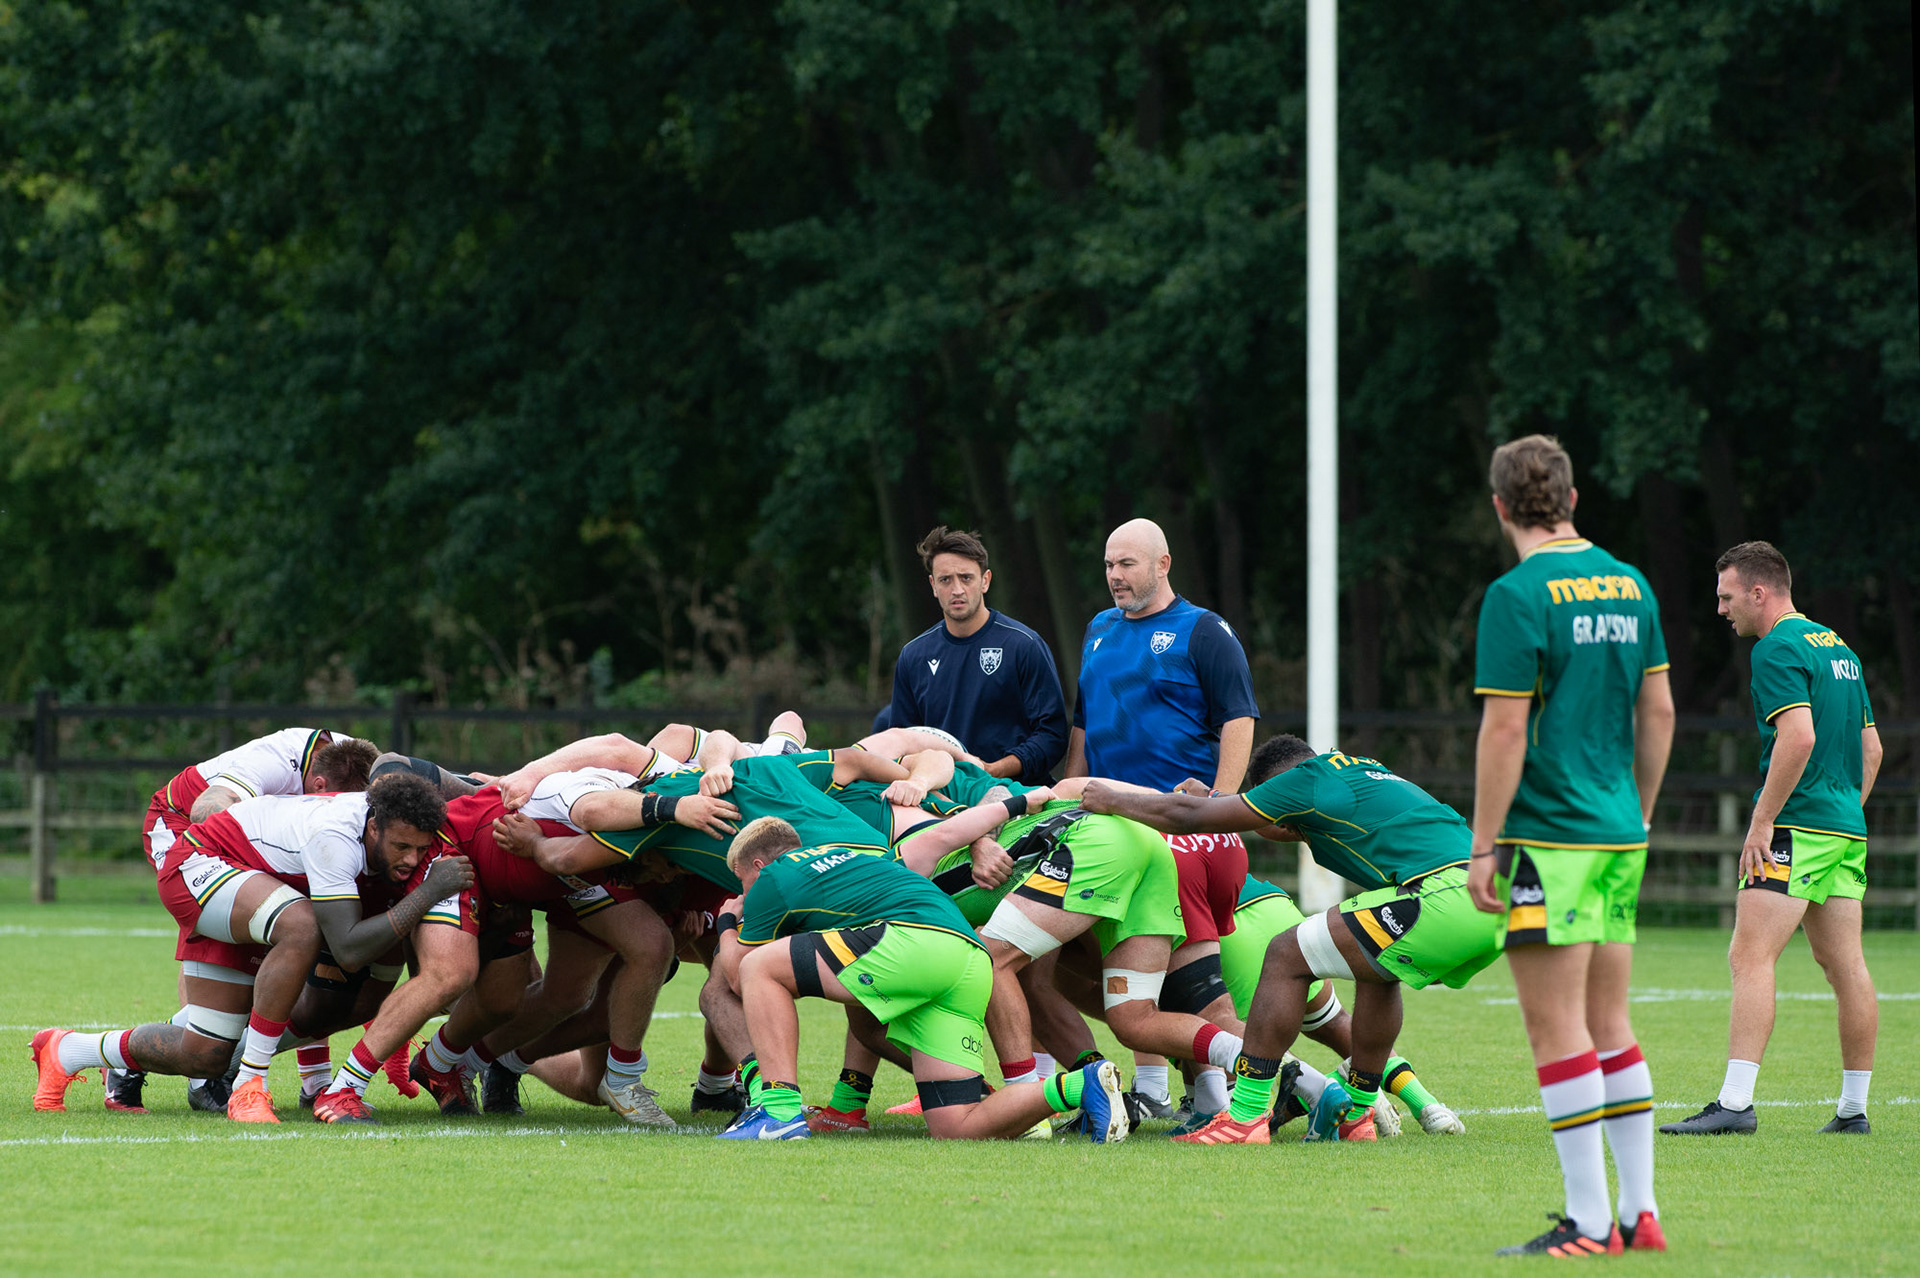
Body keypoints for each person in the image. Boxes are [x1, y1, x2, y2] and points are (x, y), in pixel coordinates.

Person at [1465, 434, 1674, 1257]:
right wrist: (1639, 811)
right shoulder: (1632, 584)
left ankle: (1589, 1224)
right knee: (1610, 1022)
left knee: (1557, 1030)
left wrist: (1484, 844)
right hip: (1620, 833)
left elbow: (1506, 726)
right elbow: (1658, 714)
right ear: (1574, 499)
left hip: (1546, 839)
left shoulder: (1517, 595)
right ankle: (1640, 1212)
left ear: (1501, 507)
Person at [1084, 736, 1491, 1144]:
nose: (1288, 828)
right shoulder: (1358, 770)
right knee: (1378, 972)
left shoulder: (1306, 779)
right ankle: (1359, 1111)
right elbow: (1264, 820)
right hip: (1488, 895)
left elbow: (1192, 816)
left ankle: (1244, 1118)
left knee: (1285, 953)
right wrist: (1217, 796)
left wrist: (1113, 800)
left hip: (1447, 893)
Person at [33, 775, 460, 1123]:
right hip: (203, 862)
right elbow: (348, 948)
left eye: (420, 850)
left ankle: (68, 1050)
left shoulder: (389, 826)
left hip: (259, 885)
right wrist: (428, 892)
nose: (411, 859)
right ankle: (250, 1085)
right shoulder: (335, 835)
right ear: (372, 827)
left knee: (205, 1054)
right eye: (401, 847)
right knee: (303, 926)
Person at [715, 811, 1129, 1142]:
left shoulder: (774, 877)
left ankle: (778, 1111)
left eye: (742, 882)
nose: (745, 893)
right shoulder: (847, 856)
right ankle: (1078, 1086)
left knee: (758, 967)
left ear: (757, 864)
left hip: (916, 943)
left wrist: (728, 922)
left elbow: (737, 976)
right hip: (967, 958)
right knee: (956, 1125)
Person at [1661, 541, 1882, 1137]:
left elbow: (1799, 737)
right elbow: (1872, 750)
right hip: (1844, 829)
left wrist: (1762, 823)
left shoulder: (1775, 647)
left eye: (1726, 597)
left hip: (1795, 827)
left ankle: (1734, 1105)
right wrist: (1843, 814)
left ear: (1759, 593)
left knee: (1749, 957)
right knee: (1846, 967)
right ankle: (1853, 1110)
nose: (1720, 609)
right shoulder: (1840, 650)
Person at [1064, 517, 1261, 1124]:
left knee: (1192, 992)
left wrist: (1219, 808)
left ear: (1163, 564)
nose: (1115, 577)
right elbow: (1083, 725)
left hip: (1179, 836)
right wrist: (1067, 793)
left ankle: (1286, 1085)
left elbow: (1239, 719)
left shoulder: (1203, 631)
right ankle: (1178, 1091)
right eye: (1108, 566)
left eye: (1127, 564)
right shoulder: (1098, 630)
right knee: (1128, 977)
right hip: (1118, 837)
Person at [112, 729, 378, 1113]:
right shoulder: (273, 760)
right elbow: (209, 810)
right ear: (319, 784)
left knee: (305, 928)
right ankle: (199, 1072)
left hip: (244, 842)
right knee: (279, 934)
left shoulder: (361, 764)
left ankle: (312, 1077)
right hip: (183, 829)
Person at [882, 526, 1070, 782]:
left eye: (966, 578)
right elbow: (901, 743)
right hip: (944, 798)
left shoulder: (1023, 645)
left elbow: (1053, 735)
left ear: (985, 580)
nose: (957, 589)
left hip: (1019, 796)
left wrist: (994, 770)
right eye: (945, 580)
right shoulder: (913, 656)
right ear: (933, 585)